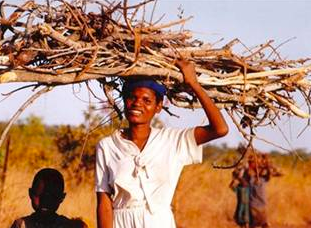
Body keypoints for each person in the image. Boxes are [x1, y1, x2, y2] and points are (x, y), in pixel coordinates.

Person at [95, 59, 229, 228]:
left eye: (147, 100)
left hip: (158, 222)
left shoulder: (173, 140)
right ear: (125, 101)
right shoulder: (107, 146)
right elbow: (104, 202)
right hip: (121, 222)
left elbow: (220, 129)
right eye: (132, 97)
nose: (137, 104)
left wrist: (193, 84)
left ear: (158, 106)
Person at [10, 168, 88, 228]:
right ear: (30, 193)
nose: (45, 201)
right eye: (40, 195)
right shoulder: (20, 225)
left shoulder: (69, 226)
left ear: (61, 198)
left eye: (52, 196)